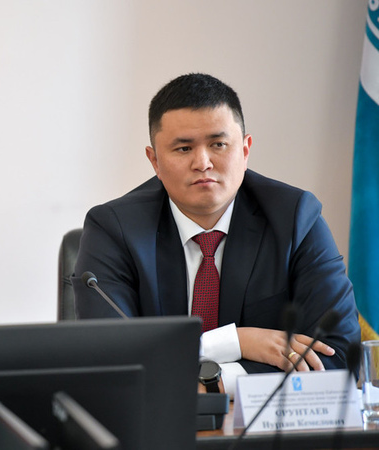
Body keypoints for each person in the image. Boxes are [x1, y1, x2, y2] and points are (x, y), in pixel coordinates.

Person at [72, 73, 360, 394]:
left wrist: (210, 384)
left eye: (218, 144)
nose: (203, 162)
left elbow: (337, 356)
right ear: (155, 161)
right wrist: (235, 341)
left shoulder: (295, 218)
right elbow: (110, 362)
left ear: (245, 150)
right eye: (183, 148)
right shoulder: (114, 228)